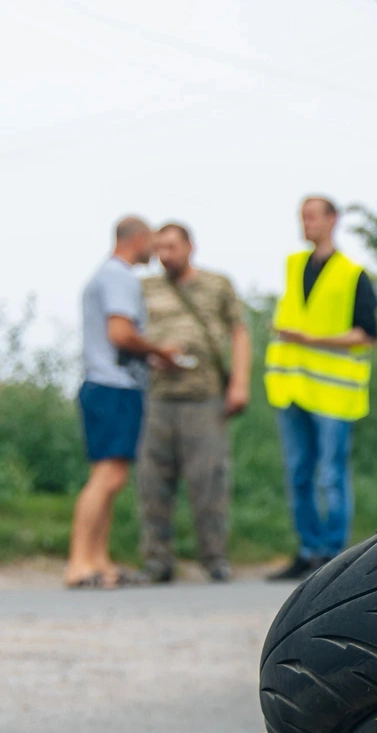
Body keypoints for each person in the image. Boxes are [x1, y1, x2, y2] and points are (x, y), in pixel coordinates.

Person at [263, 195, 377, 580]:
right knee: (298, 473)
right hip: (292, 387)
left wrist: (311, 339)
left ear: (333, 220)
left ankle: (334, 555)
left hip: (333, 394)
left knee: (331, 474)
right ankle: (308, 550)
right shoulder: (293, 266)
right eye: (302, 217)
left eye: (312, 217)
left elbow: (367, 334)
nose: (305, 223)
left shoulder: (352, 273)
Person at [68, 216, 183, 589]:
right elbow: (120, 333)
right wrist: (159, 349)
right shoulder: (119, 277)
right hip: (113, 387)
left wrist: (152, 360)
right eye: (152, 241)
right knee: (108, 476)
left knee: (110, 476)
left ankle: (98, 561)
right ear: (138, 240)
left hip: (107, 383)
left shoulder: (103, 275)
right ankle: (78, 563)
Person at [137, 222, 250, 583]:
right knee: (153, 483)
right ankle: (157, 561)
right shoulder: (145, 287)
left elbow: (239, 332)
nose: (164, 255)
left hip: (205, 396)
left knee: (209, 481)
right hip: (158, 396)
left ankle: (215, 559)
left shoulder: (217, 284)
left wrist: (239, 383)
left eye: (171, 247)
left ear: (190, 246)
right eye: (159, 248)